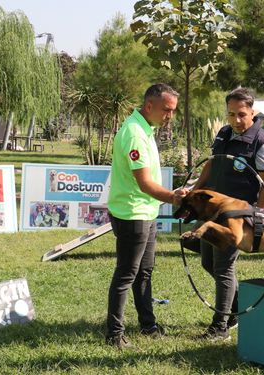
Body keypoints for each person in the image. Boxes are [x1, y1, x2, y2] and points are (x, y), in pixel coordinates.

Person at [105, 83, 187, 349]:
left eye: (173, 111)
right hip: (133, 214)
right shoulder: (135, 134)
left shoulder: (145, 128)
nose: (169, 116)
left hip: (145, 212)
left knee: (145, 272)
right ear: (149, 106)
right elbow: (144, 184)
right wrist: (173, 198)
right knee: (126, 274)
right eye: (166, 110)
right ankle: (114, 335)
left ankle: (148, 325)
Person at [192, 87, 264, 341]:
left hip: (237, 217)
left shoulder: (261, 142)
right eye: (231, 114)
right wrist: (194, 191)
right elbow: (211, 164)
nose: (236, 120)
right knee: (209, 262)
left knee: (224, 267)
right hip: (212, 212)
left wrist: (260, 215)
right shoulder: (224, 133)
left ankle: (220, 327)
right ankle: (237, 309)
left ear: (252, 111)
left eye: (241, 114)